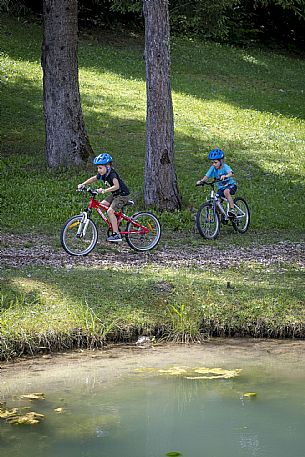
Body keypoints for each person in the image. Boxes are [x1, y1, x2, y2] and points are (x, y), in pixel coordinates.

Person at [78, 153, 130, 242]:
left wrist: (104, 191)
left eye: (100, 168)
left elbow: (116, 186)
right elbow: (93, 178)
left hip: (122, 195)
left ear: (108, 166)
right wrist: (83, 184)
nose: (99, 170)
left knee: (110, 211)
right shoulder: (103, 174)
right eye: (98, 168)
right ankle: (116, 221)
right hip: (115, 194)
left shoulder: (112, 174)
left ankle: (116, 234)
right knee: (101, 205)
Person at [196, 148, 237, 217]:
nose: (214, 164)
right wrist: (201, 181)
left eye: (215, 162)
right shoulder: (213, 168)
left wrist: (226, 176)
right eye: (212, 162)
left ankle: (232, 209)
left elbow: (231, 173)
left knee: (226, 192)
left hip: (231, 185)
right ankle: (222, 215)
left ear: (221, 161)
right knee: (216, 201)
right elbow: (207, 176)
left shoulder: (225, 167)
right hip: (221, 188)